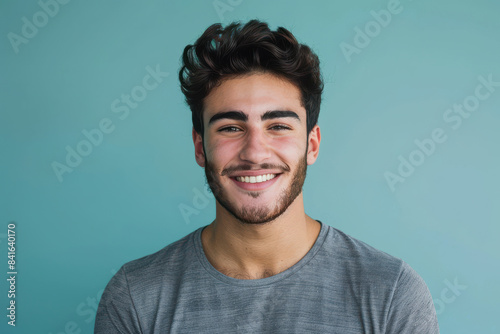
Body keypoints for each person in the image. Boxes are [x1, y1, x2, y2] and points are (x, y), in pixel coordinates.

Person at [94, 19, 439, 333]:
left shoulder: (392, 295)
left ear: (312, 144)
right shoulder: (135, 299)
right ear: (200, 148)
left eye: (278, 126)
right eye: (230, 127)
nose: (255, 152)